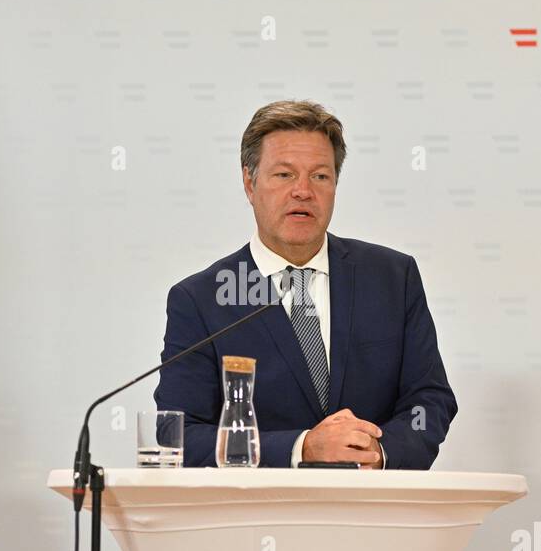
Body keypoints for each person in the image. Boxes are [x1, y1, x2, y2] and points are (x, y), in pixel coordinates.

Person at [154, 100, 457, 469]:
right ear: (250, 183)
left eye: (320, 176)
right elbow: (180, 435)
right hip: (255, 517)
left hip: (373, 510)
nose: (303, 191)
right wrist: (302, 447)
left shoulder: (393, 278)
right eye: (284, 175)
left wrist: (380, 451)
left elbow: (429, 400)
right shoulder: (201, 299)